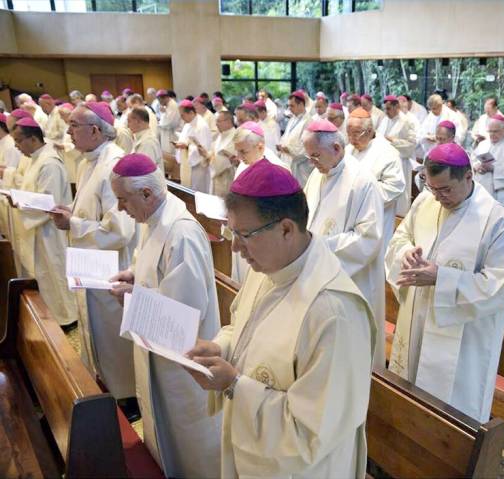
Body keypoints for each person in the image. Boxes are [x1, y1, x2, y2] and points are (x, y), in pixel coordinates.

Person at [186, 159, 374, 478]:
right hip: (255, 450)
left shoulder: (333, 311)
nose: (235, 247)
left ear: (286, 228)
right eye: (233, 232)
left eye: (245, 234)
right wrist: (220, 349)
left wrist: (233, 384)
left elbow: (312, 432)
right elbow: (243, 328)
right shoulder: (268, 267)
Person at [386, 143, 504, 422]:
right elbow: (401, 237)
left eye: (445, 189)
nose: (438, 197)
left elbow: (501, 285)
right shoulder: (425, 201)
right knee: (410, 390)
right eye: (432, 187)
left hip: (464, 334)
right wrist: (405, 254)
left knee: (451, 411)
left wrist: (441, 278)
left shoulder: (496, 220)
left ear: (469, 177)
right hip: (417, 315)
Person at [108, 154, 221, 478]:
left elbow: (186, 313)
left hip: (181, 365)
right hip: (157, 354)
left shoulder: (181, 232)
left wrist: (135, 298)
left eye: (122, 199)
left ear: (146, 194)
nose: (119, 208)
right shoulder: (156, 218)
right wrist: (134, 275)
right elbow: (154, 270)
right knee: (165, 441)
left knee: (191, 447)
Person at [49, 102, 137, 413]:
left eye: (74, 125)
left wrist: (72, 223)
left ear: (96, 130)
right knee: (99, 334)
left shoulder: (114, 165)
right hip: (92, 263)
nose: (68, 132)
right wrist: (73, 215)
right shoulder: (89, 161)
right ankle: (107, 386)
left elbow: (120, 229)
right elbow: (92, 213)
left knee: (113, 335)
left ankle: (127, 396)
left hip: (112, 267)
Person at [302, 120, 385, 368]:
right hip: (314, 271)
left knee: (349, 356)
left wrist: (318, 247)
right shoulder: (318, 176)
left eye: (315, 155)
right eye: (308, 156)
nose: (311, 162)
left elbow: (368, 238)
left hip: (351, 280)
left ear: (337, 148)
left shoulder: (363, 182)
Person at [9, 117, 78, 328]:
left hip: (51, 230)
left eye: (19, 141)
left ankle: (68, 317)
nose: (16, 146)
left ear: (32, 139)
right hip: (39, 229)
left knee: (56, 273)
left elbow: (50, 201)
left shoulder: (49, 163)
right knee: (46, 274)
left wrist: (20, 203)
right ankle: (55, 315)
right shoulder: (35, 158)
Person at [229, 122, 289, 284]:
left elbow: (281, 215)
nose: (240, 157)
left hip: (261, 243)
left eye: (243, 152)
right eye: (238, 152)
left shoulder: (278, 170)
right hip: (243, 236)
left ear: (260, 147)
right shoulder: (245, 163)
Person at [345, 107, 405, 250]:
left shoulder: (387, 152)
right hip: (349, 217)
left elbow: (395, 187)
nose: (352, 139)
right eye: (349, 134)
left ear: (370, 130)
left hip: (375, 219)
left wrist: (361, 195)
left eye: (356, 133)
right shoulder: (348, 150)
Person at [472, 114, 504, 210]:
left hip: (502, 194)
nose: (492, 134)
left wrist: (494, 169)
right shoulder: (483, 144)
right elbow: (473, 161)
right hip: (482, 191)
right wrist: (476, 167)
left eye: (495, 131)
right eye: (490, 131)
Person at [376, 95, 417, 216]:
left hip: (401, 162)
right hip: (384, 161)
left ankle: (400, 218)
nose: (386, 112)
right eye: (385, 109)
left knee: (400, 197)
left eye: (388, 108)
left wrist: (393, 141)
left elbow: (412, 144)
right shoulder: (385, 120)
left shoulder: (407, 121)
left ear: (396, 107)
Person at [175, 99, 213, 193]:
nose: (181, 118)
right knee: (189, 190)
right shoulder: (188, 124)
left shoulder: (201, 126)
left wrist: (186, 147)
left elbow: (204, 148)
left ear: (191, 112)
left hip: (198, 166)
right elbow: (185, 139)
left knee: (197, 191)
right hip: (188, 164)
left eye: (182, 115)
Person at [277, 90, 311, 187]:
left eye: (292, 106)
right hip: (287, 160)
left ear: (300, 104)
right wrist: (281, 145)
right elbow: (285, 137)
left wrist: (289, 150)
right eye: (288, 106)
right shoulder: (292, 119)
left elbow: (306, 147)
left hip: (300, 166)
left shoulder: (308, 121)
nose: (289, 109)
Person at [415, 120, 457, 192]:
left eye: (443, 139)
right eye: (437, 138)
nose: (439, 142)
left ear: (452, 138)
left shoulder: (460, 156)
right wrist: (421, 176)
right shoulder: (430, 153)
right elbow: (421, 181)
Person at [417, 94, 461, 159]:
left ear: (440, 105)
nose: (432, 111)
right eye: (430, 109)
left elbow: (457, 136)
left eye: (434, 109)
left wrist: (438, 138)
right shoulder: (430, 116)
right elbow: (421, 133)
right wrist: (426, 137)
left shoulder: (452, 116)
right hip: (431, 152)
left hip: (446, 154)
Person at [209, 110, 237, 197]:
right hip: (216, 177)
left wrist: (210, 157)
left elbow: (224, 161)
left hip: (227, 178)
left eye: (218, 121)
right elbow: (215, 153)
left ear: (228, 121)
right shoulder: (221, 135)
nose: (216, 124)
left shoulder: (235, 136)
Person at [129, 107, 163, 173]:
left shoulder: (148, 142)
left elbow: (144, 171)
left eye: (129, 121)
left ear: (138, 122)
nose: (128, 125)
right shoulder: (141, 138)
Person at [157, 89, 181, 174]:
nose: (159, 103)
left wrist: (160, 123)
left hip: (171, 134)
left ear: (165, 98)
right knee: (166, 156)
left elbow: (171, 122)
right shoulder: (167, 105)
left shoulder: (173, 105)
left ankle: (174, 173)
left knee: (172, 156)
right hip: (166, 134)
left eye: (160, 100)